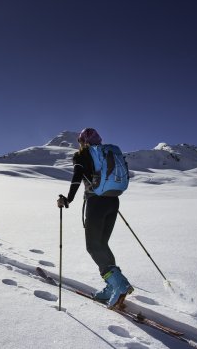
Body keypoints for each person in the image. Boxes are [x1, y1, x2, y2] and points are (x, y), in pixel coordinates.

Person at [57, 128, 133, 309]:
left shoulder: (82, 155)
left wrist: (68, 199)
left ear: (82, 141)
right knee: (102, 244)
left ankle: (119, 284)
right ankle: (112, 285)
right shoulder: (107, 153)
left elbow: (77, 176)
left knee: (92, 246)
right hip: (113, 201)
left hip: (96, 203)